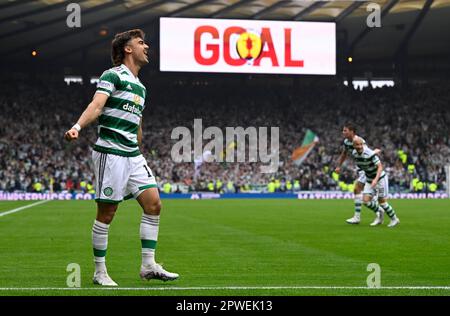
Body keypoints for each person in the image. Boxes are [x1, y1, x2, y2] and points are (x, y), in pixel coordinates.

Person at [64, 29, 179, 286]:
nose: (146, 47)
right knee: (107, 212)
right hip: (111, 151)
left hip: (132, 153)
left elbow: (137, 121)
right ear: (128, 49)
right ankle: (99, 272)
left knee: (154, 205)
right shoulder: (112, 75)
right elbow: (97, 105)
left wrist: (139, 138)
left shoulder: (141, 87)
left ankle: (148, 265)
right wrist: (77, 127)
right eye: (141, 43)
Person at [334, 123, 380, 224]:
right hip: (361, 168)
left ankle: (372, 213)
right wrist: (339, 166)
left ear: (352, 131)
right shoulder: (346, 142)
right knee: (359, 191)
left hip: (366, 168)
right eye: (343, 130)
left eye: (345, 130)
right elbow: (344, 153)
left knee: (358, 190)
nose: (343, 132)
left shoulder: (359, 141)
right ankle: (368, 213)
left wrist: (374, 153)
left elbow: (367, 153)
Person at [352, 137, 400, 227]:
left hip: (380, 178)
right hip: (369, 179)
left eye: (360, 144)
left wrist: (375, 179)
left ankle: (394, 219)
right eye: (357, 145)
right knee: (365, 201)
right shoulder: (354, 153)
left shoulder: (369, 153)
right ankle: (379, 211)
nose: (359, 146)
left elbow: (380, 167)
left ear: (363, 144)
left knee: (382, 201)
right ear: (353, 146)